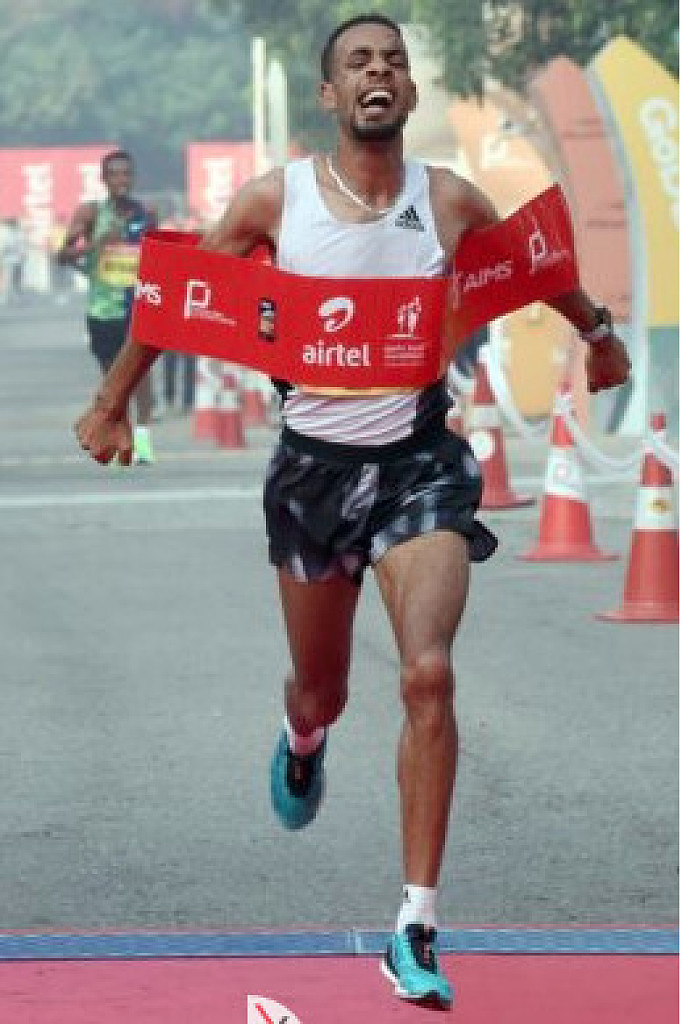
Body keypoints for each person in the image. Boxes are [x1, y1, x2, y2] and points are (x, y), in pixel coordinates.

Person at [74, 15, 631, 1009]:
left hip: (419, 466)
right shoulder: (274, 199)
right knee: (321, 689)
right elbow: (180, 296)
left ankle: (414, 923)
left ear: (409, 94)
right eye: (359, 63)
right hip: (312, 475)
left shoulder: (446, 199)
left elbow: (532, 267)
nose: (380, 72)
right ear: (331, 96)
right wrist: (113, 400)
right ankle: (302, 737)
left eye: (395, 63)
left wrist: (597, 333)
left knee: (428, 674)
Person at [59, 149, 157, 464]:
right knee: (113, 379)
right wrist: (94, 248)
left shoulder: (146, 213)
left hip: (138, 306)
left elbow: (160, 255)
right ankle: (120, 436)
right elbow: (63, 256)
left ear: (133, 178)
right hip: (102, 311)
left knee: (140, 373)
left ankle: (143, 439)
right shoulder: (90, 214)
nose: (121, 180)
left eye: (126, 174)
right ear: (103, 179)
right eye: (114, 175)